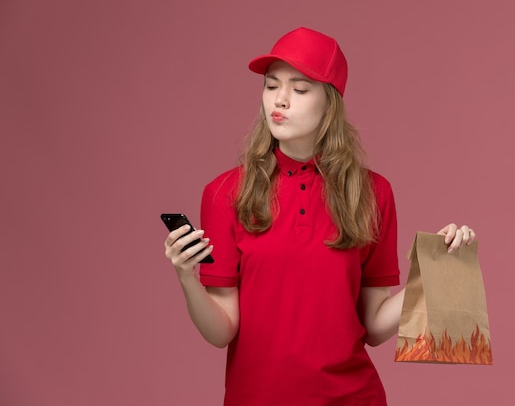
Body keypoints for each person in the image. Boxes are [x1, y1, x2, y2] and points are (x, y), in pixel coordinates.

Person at [164, 27, 476, 406]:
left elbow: (374, 326)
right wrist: (186, 277)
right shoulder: (225, 193)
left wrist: (435, 272)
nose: (279, 100)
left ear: (330, 102)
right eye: (270, 85)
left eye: (299, 89)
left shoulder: (373, 193)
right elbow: (221, 331)